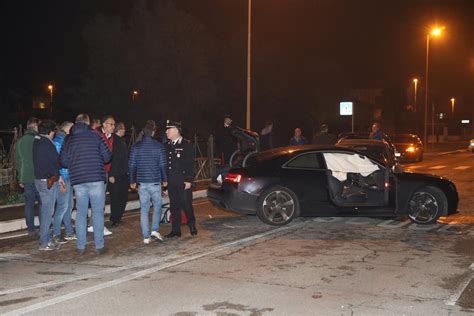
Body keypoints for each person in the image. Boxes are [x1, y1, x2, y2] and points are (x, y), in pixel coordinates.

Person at [60, 114, 112, 255]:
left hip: (78, 180)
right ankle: (99, 246)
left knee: (81, 213)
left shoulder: (68, 139)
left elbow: (63, 161)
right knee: (97, 212)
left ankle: (81, 246)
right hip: (96, 178)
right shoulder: (96, 136)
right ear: (88, 123)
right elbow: (107, 157)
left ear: (76, 123)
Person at [128, 120, 167, 244]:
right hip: (155, 182)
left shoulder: (136, 147)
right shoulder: (159, 146)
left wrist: (132, 180)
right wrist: (165, 179)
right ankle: (155, 229)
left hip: (142, 183)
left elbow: (132, 165)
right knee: (157, 206)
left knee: (144, 209)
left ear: (143, 133)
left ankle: (146, 236)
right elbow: (162, 165)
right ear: (153, 132)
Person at [33, 120, 62, 250]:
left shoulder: (37, 141)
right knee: (47, 212)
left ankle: (46, 238)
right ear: (51, 131)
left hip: (40, 179)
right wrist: (56, 174)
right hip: (48, 181)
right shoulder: (47, 143)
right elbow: (55, 161)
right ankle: (44, 242)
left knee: (45, 210)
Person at [164, 120, 197, 238]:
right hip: (171, 180)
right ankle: (175, 230)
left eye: (169, 129)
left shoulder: (187, 145)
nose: (166, 132)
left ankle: (192, 224)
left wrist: (189, 180)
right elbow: (165, 165)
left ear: (177, 130)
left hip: (183, 181)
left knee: (186, 204)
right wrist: (165, 181)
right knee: (174, 206)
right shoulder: (166, 146)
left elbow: (190, 164)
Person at [89, 115, 115, 236]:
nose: (113, 126)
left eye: (114, 124)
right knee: (99, 201)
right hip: (97, 171)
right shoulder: (97, 135)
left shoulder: (110, 137)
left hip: (104, 171)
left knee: (98, 200)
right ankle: (98, 226)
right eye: (111, 124)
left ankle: (92, 224)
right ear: (104, 124)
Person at [16, 117, 41, 237]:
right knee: (43, 203)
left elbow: (18, 161)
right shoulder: (38, 139)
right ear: (35, 126)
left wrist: (20, 177)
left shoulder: (20, 141)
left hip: (26, 177)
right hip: (38, 176)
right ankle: (44, 227)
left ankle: (31, 229)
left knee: (29, 204)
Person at [52, 121, 76, 244]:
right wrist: (60, 178)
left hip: (68, 176)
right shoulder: (58, 141)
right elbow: (56, 163)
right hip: (63, 178)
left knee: (68, 206)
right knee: (62, 206)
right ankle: (56, 233)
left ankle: (69, 232)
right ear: (66, 128)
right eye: (72, 127)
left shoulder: (66, 140)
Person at [109, 122, 129, 227]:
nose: (125, 130)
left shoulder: (120, 141)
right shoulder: (115, 141)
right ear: (119, 129)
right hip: (117, 174)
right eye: (124, 128)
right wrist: (111, 174)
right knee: (116, 197)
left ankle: (118, 217)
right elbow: (114, 159)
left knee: (122, 196)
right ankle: (115, 218)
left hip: (122, 173)